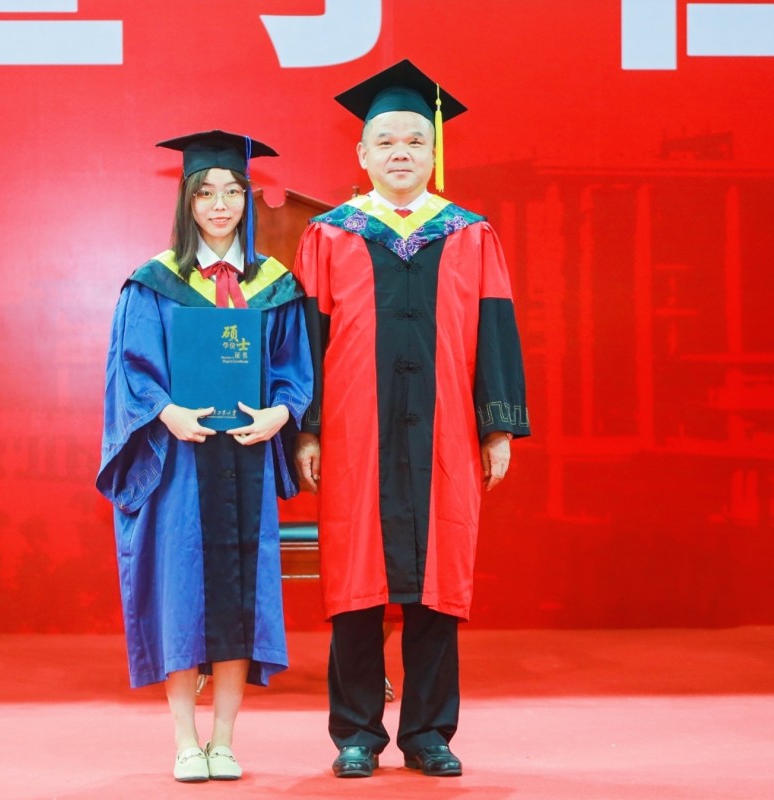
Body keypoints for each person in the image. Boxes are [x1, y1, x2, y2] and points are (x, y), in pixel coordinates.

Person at [291, 60, 531, 779]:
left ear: (434, 153)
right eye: (387, 141)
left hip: (446, 429)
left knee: (438, 581)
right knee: (354, 579)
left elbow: (495, 332)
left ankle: (428, 732)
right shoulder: (330, 235)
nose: (401, 153)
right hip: (354, 431)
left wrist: (497, 427)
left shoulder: (469, 234)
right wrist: (308, 428)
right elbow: (305, 341)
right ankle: (357, 734)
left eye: (415, 141)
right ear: (362, 154)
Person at [96, 129, 313, 783]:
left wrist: (281, 413)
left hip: (246, 459)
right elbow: (132, 374)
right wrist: (167, 413)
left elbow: (293, 371)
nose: (220, 205)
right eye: (205, 192)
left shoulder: (275, 285)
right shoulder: (154, 284)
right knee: (183, 589)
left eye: (232, 192)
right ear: (187, 201)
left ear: (246, 200)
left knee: (242, 593)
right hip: (181, 464)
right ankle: (186, 740)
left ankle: (225, 739)